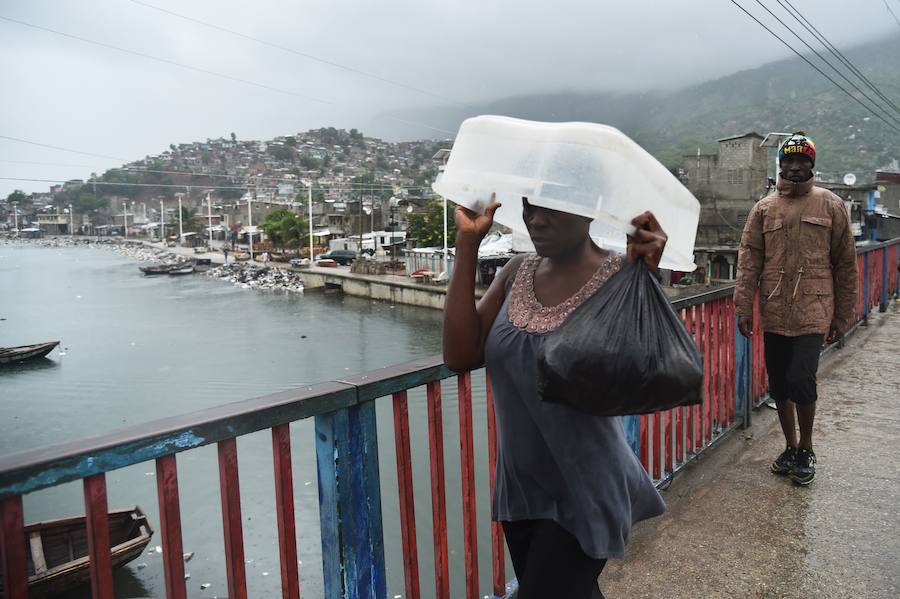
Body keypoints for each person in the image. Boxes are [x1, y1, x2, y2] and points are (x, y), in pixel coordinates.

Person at [443, 195, 668, 599]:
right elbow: (460, 355)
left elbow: (641, 375)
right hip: (522, 487)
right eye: (529, 206)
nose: (535, 219)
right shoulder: (516, 272)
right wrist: (467, 245)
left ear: (588, 209)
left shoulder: (621, 273)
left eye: (551, 207)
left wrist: (643, 281)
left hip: (588, 487)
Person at [735, 131, 857, 486]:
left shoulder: (831, 205)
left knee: (801, 379)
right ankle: (789, 447)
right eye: (789, 160)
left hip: (813, 310)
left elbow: (846, 264)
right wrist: (744, 307)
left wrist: (843, 314)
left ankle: (807, 447)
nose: (795, 166)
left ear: (811, 165)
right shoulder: (763, 209)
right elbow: (748, 261)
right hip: (774, 308)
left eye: (802, 160)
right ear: (781, 164)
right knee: (779, 384)